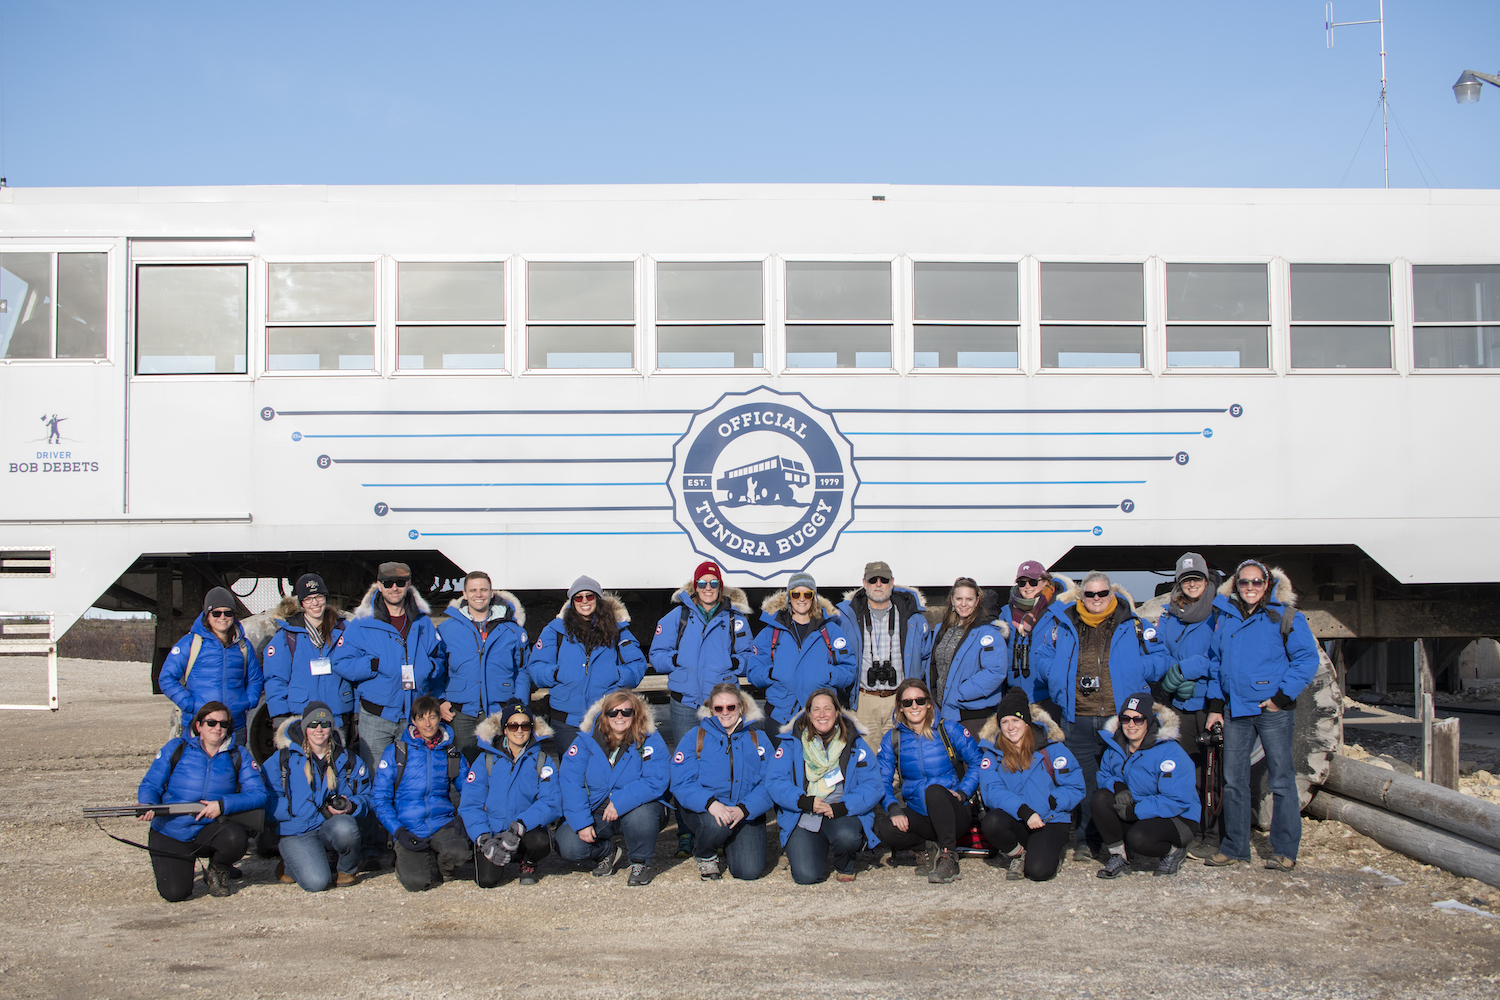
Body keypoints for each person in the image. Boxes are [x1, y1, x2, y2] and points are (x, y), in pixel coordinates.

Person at [1029, 571, 1168, 861]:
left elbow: (1161, 658)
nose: (1096, 599)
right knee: (1083, 782)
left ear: (1112, 594)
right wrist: (1055, 674)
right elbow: (1040, 656)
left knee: (1126, 779)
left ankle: (1126, 839)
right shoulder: (1063, 623)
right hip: (1077, 715)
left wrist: (1135, 671)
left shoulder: (1134, 624)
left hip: (1120, 718)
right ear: (1081, 596)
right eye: (1089, 594)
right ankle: (1086, 841)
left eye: (1102, 593)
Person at [1204, 562, 1320, 873]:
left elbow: (1307, 659)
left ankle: (1284, 849)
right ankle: (1235, 847)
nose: (1250, 588)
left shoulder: (1285, 617)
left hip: (1271, 711)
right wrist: (1216, 706)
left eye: (1256, 582)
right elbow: (1217, 663)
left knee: (1282, 780)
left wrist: (1280, 699)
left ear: (1266, 585)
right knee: (1233, 781)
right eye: (1244, 583)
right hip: (1235, 709)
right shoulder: (1226, 616)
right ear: (1236, 585)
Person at [648, 560, 753, 857]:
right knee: (685, 766)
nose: (708, 589)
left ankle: (719, 824)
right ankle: (685, 831)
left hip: (721, 708)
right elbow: (657, 654)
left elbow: (748, 654)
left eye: (714, 583)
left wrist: (732, 664)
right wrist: (678, 660)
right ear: (695, 587)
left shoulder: (735, 619)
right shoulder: (676, 616)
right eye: (703, 584)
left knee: (719, 765)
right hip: (686, 703)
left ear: (721, 587)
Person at [136, 701, 270, 901]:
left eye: (223, 724)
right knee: (175, 893)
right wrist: (147, 804)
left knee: (235, 837)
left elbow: (259, 794)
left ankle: (218, 868)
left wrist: (222, 805)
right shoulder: (176, 748)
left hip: (210, 829)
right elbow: (150, 785)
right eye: (211, 722)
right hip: (171, 831)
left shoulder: (238, 755)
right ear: (198, 726)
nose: (217, 728)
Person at [332, 562, 446, 778]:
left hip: (414, 717)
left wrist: (428, 668)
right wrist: (372, 665)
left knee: (411, 780)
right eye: (388, 583)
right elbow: (341, 662)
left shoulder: (422, 622)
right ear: (379, 585)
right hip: (377, 718)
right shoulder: (362, 623)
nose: (394, 588)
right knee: (375, 779)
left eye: (400, 583)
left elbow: (438, 658)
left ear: (408, 585)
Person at [874, 678, 983, 884]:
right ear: (900, 708)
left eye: (920, 700)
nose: (914, 706)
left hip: (952, 811)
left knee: (934, 791)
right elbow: (882, 779)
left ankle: (949, 856)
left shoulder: (948, 729)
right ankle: (927, 846)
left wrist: (962, 792)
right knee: (885, 828)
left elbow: (978, 760)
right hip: (919, 814)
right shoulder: (893, 738)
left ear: (929, 703)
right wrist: (894, 808)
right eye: (907, 703)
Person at [556, 689, 670, 886]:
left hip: (636, 807)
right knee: (568, 846)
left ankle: (639, 862)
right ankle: (606, 852)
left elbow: (657, 779)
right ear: (604, 714)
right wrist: (582, 821)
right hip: (597, 808)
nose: (620, 717)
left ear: (635, 714)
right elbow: (570, 781)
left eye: (626, 712)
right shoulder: (586, 740)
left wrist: (620, 801)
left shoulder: (649, 737)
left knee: (642, 817)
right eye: (613, 712)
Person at [768, 688, 881, 884]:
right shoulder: (791, 742)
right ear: (808, 714)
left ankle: (845, 863)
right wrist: (803, 801)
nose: (822, 714)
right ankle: (814, 849)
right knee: (806, 876)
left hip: (841, 810)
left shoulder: (855, 742)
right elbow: (775, 781)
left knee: (847, 837)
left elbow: (873, 784)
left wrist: (844, 806)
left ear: (837, 713)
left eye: (827, 709)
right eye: (816, 709)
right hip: (804, 812)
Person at [528, 576, 648, 756]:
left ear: (598, 599)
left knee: (602, 773)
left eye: (590, 596)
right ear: (572, 601)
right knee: (571, 775)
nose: (584, 601)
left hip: (605, 717)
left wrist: (615, 674)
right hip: (566, 719)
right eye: (579, 597)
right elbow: (536, 667)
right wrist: (557, 674)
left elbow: (638, 665)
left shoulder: (617, 630)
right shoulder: (555, 630)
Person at [670, 682, 776, 881]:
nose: (725, 712)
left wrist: (744, 809)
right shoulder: (695, 737)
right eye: (718, 708)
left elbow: (770, 782)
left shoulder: (758, 738)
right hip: (708, 811)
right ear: (711, 709)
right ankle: (706, 853)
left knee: (748, 871)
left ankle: (729, 842)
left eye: (731, 707)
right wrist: (710, 804)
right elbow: (681, 781)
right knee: (715, 826)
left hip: (744, 811)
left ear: (741, 707)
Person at [976, 688, 1084, 882]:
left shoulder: (1051, 748)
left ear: (1026, 722)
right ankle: (1018, 854)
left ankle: (1051, 853)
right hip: (1019, 818)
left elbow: (1075, 786)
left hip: (1050, 819)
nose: (1010, 727)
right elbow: (992, 791)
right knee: (991, 822)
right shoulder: (993, 753)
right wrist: (1024, 811)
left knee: (1038, 872)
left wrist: (1053, 802)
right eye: (1005, 722)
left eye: (1016, 720)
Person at [1152, 553, 1221, 849]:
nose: (1192, 584)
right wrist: (1173, 674)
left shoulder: (1219, 614)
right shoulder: (1170, 616)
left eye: (1197, 579)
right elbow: (1163, 651)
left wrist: (1188, 670)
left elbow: (1221, 657)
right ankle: (1190, 830)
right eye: (1186, 580)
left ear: (1206, 581)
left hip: (1206, 704)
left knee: (1211, 775)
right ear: (1179, 584)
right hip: (1179, 707)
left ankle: (1213, 834)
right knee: (1184, 773)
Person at [1091, 692, 1200, 878]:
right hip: (1140, 809)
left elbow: (1176, 800)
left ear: (1148, 721)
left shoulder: (1169, 751)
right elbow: (1104, 775)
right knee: (1100, 798)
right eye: (1125, 719)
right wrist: (1118, 787)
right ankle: (1119, 856)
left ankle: (1174, 851)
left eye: (1138, 719)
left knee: (1139, 839)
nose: (1131, 724)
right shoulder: (1115, 746)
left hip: (1178, 816)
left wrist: (1136, 811)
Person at [269, 700, 369, 891]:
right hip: (297, 830)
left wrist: (351, 805)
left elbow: (368, 795)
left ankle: (346, 869)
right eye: (313, 724)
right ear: (304, 727)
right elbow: (267, 796)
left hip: (328, 825)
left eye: (325, 724)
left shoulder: (346, 758)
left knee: (347, 829)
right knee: (317, 883)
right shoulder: (284, 758)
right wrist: (292, 811)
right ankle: (291, 864)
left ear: (331, 727)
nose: (319, 729)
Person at [372, 695, 469, 892]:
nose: (427, 723)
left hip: (442, 823)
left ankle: (444, 868)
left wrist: (462, 816)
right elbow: (379, 799)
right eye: (422, 718)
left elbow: (470, 790)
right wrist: (398, 831)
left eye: (432, 717)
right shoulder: (397, 752)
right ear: (414, 721)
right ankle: (411, 862)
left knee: (460, 853)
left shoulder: (450, 752)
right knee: (417, 883)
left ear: (439, 719)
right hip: (409, 827)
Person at [460, 700, 561, 887]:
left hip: (523, 829)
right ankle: (495, 851)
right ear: (504, 729)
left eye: (525, 725)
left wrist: (519, 827)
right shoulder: (485, 759)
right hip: (492, 831)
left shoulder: (541, 760)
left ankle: (527, 862)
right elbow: (470, 804)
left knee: (541, 841)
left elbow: (551, 802)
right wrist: (483, 838)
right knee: (487, 881)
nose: (520, 730)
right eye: (513, 725)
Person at [836, 561, 929, 755]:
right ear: (864, 583)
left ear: (892, 582)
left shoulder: (913, 616)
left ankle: (896, 787)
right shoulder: (846, 616)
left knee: (901, 757)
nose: (878, 584)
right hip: (864, 699)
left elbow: (927, 658)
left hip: (900, 699)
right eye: (872, 580)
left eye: (884, 580)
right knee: (866, 757)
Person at [747, 572, 855, 732]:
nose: (802, 598)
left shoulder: (831, 630)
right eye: (796, 594)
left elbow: (849, 670)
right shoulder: (771, 632)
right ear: (789, 598)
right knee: (782, 757)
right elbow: (753, 672)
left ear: (814, 598)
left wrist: (828, 674)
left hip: (820, 717)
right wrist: (772, 673)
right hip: (780, 715)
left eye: (807, 594)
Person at [436, 571, 529, 753]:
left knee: (501, 765)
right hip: (461, 713)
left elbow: (523, 670)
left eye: (483, 590)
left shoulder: (512, 630)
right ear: (464, 594)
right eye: (473, 590)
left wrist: (519, 704)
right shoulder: (447, 629)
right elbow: (438, 668)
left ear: (491, 592)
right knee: (464, 768)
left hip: (500, 710)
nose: (478, 595)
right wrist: (440, 699)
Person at [159, 587, 264, 744]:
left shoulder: (243, 646)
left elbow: (255, 679)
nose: (222, 617)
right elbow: (167, 678)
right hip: (200, 727)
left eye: (228, 613)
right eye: (216, 613)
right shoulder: (191, 643)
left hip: (234, 727)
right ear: (207, 615)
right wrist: (189, 704)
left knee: (233, 767)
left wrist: (248, 701)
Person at [263, 574, 352, 737]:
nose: (315, 603)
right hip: (302, 719)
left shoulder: (344, 629)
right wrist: (279, 716)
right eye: (309, 599)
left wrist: (358, 713)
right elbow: (276, 678)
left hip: (337, 716)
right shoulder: (288, 635)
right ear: (302, 603)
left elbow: (356, 673)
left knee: (338, 761)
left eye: (319, 596)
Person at [921, 577, 1011, 726]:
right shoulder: (942, 629)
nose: (963, 604)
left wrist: (958, 694)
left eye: (969, 599)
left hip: (972, 714)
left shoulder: (988, 632)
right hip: (942, 712)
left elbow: (995, 671)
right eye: (959, 598)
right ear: (952, 600)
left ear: (977, 601)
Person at [1001, 562, 1065, 701]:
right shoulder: (1006, 612)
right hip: (1014, 696)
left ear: (1045, 582)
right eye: (1022, 582)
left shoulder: (1058, 612)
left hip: (1047, 696)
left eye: (1033, 581)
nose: (1027, 586)